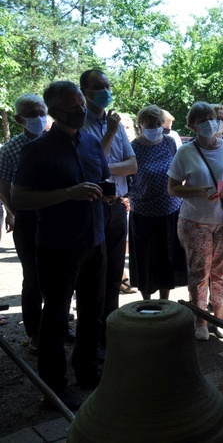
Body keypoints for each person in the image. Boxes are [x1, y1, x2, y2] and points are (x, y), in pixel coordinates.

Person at [12, 80, 111, 410]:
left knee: (92, 313)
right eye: (73, 106)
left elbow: (101, 180)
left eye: (82, 104)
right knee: (55, 319)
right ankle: (54, 388)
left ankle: (87, 371)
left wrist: (105, 193)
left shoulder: (93, 142)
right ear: (54, 111)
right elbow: (21, 198)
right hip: (58, 245)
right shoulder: (37, 150)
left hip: (95, 239)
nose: (81, 110)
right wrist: (68, 194)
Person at [0, 94, 75, 353]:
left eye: (42, 112)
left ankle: (61, 326)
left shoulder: (59, 141)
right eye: (32, 115)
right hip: (29, 221)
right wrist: (15, 210)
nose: (40, 118)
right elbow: (3, 184)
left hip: (59, 218)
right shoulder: (11, 149)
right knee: (33, 277)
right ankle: (35, 332)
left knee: (61, 275)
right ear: (20, 119)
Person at [167, 102, 223, 341]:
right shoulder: (186, 152)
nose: (209, 123)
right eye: (202, 120)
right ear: (192, 126)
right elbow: (172, 188)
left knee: (222, 273)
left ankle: (219, 319)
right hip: (195, 222)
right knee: (199, 273)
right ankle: (200, 321)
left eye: (211, 118)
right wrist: (197, 191)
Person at [79, 69, 138, 345]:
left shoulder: (112, 121)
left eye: (106, 84)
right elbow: (88, 168)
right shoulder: (81, 124)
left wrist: (104, 170)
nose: (104, 90)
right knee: (93, 278)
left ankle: (109, 335)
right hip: (93, 209)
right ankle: (91, 339)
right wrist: (112, 134)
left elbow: (133, 165)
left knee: (114, 275)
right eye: (97, 86)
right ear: (85, 92)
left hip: (117, 207)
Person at [128, 105, 187, 300]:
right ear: (140, 125)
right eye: (149, 123)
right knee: (146, 259)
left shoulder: (170, 143)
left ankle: (165, 302)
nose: (154, 126)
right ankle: (147, 302)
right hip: (143, 214)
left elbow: (180, 171)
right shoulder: (132, 147)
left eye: (157, 123)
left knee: (166, 258)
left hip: (170, 211)